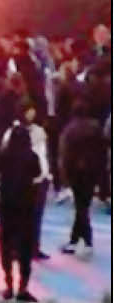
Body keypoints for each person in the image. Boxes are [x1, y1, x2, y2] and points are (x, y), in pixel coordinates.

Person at [0, 121, 43, 301]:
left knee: (6, 245)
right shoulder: (32, 157)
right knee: (25, 247)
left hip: (7, 207)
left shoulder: (4, 156)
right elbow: (37, 174)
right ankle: (23, 286)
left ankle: (8, 284)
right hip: (26, 208)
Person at [3, 100, 53, 261]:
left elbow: (44, 153)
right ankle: (19, 248)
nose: (32, 113)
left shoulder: (39, 131)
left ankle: (33, 246)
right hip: (25, 179)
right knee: (23, 216)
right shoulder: (13, 132)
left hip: (40, 178)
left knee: (36, 216)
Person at [61, 97, 106, 254]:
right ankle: (76, 240)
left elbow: (65, 155)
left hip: (75, 172)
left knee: (81, 207)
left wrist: (65, 176)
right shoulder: (95, 128)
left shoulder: (70, 130)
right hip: (92, 171)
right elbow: (102, 152)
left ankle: (85, 240)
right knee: (83, 205)